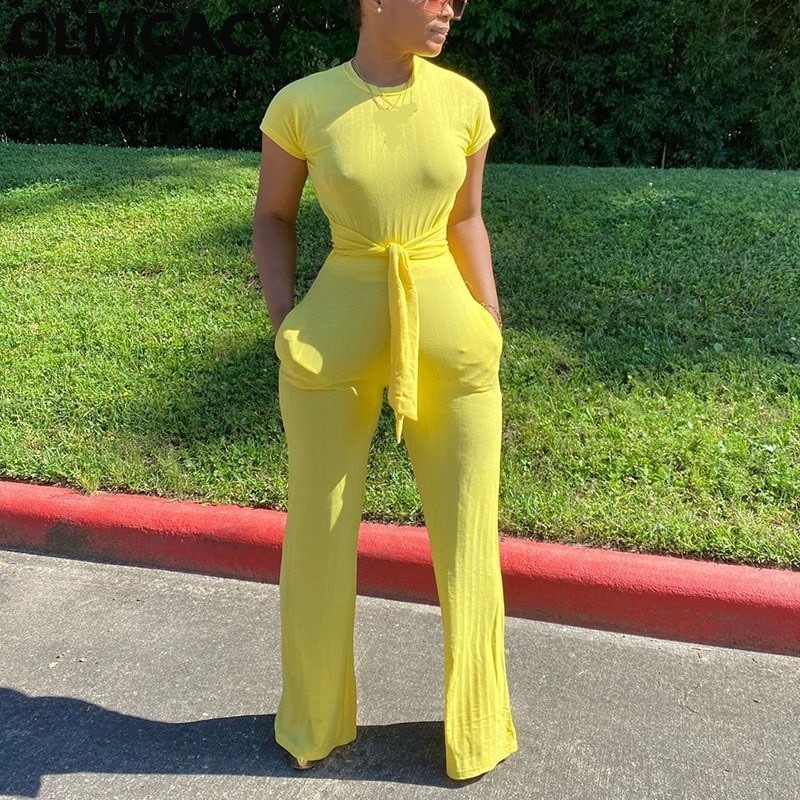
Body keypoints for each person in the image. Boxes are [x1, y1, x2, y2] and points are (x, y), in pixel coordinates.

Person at [251, 0, 517, 781]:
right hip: (332, 335)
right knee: (318, 534)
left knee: (470, 538)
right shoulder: (303, 104)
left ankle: (477, 728)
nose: (451, 8)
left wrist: (489, 318)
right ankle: (314, 718)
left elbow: (466, 219)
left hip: (451, 339)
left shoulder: (464, 101)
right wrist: (285, 320)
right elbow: (272, 215)